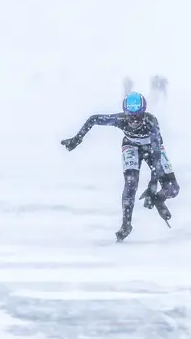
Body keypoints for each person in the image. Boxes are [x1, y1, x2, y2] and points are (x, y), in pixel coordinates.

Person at [60, 92, 179, 241]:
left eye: (138, 117)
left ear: (144, 113)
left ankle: (158, 200)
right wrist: (77, 139)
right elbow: (94, 119)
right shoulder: (120, 120)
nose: (134, 121)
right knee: (131, 183)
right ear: (125, 114)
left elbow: (156, 156)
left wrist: (153, 185)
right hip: (131, 146)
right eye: (130, 117)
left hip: (152, 149)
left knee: (173, 189)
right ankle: (126, 224)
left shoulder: (151, 123)